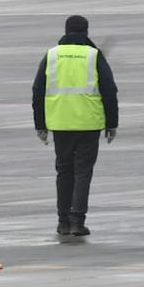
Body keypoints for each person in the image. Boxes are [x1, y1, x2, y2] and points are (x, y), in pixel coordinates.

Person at [32, 15, 118, 236]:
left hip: (60, 123)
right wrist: (112, 123)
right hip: (88, 124)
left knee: (64, 171)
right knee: (83, 172)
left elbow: (38, 90)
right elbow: (109, 90)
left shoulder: (52, 55)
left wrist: (40, 124)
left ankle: (62, 221)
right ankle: (77, 221)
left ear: (66, 31)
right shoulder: (93, 55)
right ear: (86, 32)